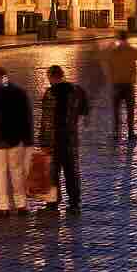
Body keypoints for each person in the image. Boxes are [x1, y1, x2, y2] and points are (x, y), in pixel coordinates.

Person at [0, 67, 35, 215]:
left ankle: (3, 206)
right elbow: (27, 116)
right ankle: (21, 204)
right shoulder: (19, 92)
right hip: (15, 138)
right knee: (17, 172)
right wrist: (28, 139)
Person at [38, 66, 87, 214]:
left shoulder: (50, 93)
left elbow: (47, 120)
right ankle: (74, 204)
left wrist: (43, 141)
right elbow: (84, 110)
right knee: (72, 172)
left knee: (53, 173)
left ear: (51, 77)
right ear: (62, 75)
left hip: (54, 139)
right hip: (70, 139)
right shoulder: (77, 91)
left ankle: (52, 204)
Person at [102, 33, 137, 139]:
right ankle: (130, 133)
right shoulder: (130, 51)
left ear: (118, 39)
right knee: (130, 110)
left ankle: (116, 133)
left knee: (116, 110)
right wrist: (128, 47)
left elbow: (104, 56)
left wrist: (111, 45)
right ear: (126, 39)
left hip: (116, 85)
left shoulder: (113, 52)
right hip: (128, 85)